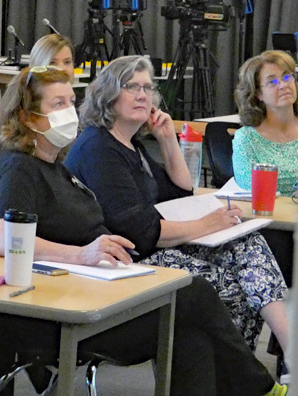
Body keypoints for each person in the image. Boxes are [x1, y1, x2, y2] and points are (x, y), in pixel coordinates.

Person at [0, 65, 285, 396]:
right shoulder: (20, 167)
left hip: (99, 290)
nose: (70, 111)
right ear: (27, 116)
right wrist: (83, 253)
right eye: (57, 104)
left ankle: (259, 389)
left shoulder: (56, 168)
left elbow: (177, 191)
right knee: (195, 292)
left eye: (70, 101)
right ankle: (262, 388)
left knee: (189, 333)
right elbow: (4, 238)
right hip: (63, 311)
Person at [64, 55, 289, 351]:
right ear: (108, 95)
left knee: (249, 243)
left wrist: (168, 139)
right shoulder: (99, 148)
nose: (143, 95)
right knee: (234, 286)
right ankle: (235, 376)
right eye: (132, 87)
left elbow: (179, 193)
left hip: (152, 248)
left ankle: (288, 349)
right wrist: (208, 224)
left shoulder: (131, 143)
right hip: (128, 260)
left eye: (148, 88)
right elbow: (141, 231)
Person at [233, 50, 298, 194]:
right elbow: (251, 192)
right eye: (272, 81)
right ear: (258, 94)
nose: (283, 85)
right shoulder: (246, 139)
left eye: (287, 77)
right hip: (267, 214)